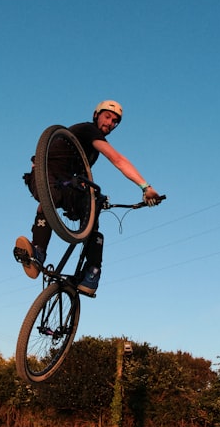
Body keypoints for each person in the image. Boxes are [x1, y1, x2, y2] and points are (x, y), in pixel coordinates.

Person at [14, 100, 160, 296]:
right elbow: (117, 159)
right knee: (48, 202)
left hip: (66, 181)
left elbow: (82, 174)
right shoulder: (89, 130)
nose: (110, 123)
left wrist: (84, 187)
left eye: (115, 121)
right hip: (48, 173)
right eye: (107, 117)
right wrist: (145, 187)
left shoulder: (89, 153)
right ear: (96, 115)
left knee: (93, 215)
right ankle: (38, 252)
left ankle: (92, 273)